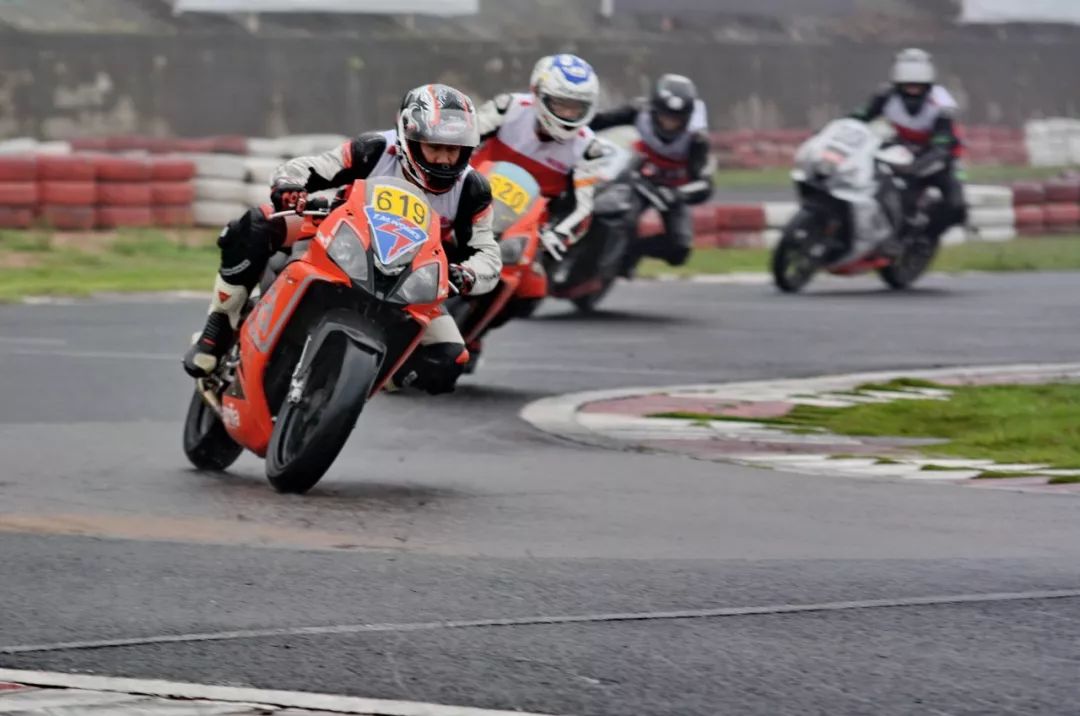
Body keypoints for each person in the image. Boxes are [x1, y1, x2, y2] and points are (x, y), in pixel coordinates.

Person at [182, 84, 501, 395]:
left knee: (449, 360)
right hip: (341, 239)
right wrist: (290, 185)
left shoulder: (473, 189)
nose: (445, 160)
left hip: (408, 275)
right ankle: (218, 328)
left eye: (453, 150)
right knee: (255, 224)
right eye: (435, 147)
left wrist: (468, 274)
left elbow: (487, 253)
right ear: (409, 139)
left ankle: (359, 385)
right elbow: (311, 166)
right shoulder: (374, 148)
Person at [472, 53, 607, 263]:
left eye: (576, 107)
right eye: (561, 103)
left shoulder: (588, 148)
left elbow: (583, 208)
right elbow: (459, 142)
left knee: (534, 278)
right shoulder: (508, 108)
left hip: (525, 228)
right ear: (537, 92)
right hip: (471, 196)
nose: (568, 114)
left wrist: (559, 233)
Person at [590, 73, 714, 274]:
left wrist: (677, 194)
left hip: (671, 190)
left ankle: (631, 253)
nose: (669, 124)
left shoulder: (697, 138)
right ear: (655, 110)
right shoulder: (638, 111)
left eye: (676, 119)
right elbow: (600, 121)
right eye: (665, 116)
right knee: (619, 217)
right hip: (637, 178)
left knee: (680, 249)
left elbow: (705, 184)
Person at [851, 48, 967, 247]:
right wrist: (833, 130)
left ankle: (927, 238)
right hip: (903, 154)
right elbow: (859, 117)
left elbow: (943, 142)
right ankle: (887, 235)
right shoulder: (885, 96)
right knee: (891, 194)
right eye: (907, 86)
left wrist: (918, 165)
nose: (913, 91)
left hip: (942, 158)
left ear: (928, 85)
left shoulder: (942, 103)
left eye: (918, 87)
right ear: (898, 84)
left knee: (957, 207)